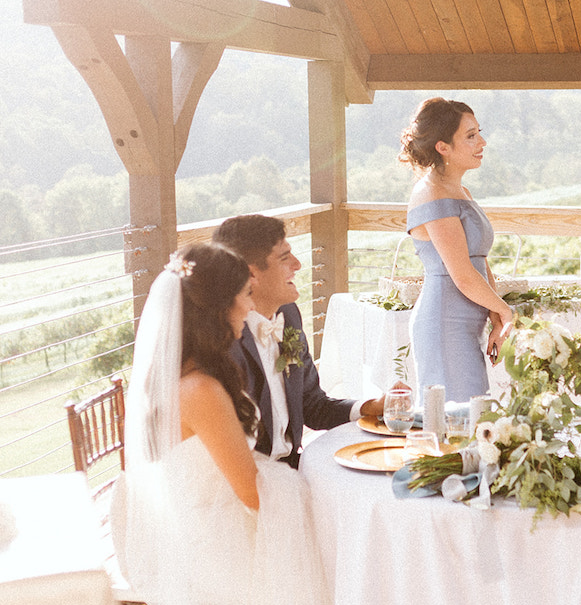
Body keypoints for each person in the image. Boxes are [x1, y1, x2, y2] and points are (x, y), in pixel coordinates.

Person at [122, 243, 333, 605]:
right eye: (242, 299)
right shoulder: (199, 389)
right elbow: (252, 492)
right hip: (209, 542)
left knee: (324, 541)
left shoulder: (189, 373)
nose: (249, 309)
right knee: (328, 562)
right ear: (216, 309)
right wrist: (314, 499)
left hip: (204, 518)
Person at [213, 214, 390, 468]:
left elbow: (312, 406)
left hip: (293, 466)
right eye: (285, 258)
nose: (297, 265)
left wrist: (370, 406)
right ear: (252, 273)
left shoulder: (289, 315)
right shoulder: (224, 340)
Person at [399, 97, 514, 402]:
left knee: (473, 419)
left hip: (468, 324)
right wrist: (506, 311)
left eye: (479, 132)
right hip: (444, 325)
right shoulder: (431, 193)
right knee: (455, 425)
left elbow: (479, 262)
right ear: (443, 147)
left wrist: (494, 314)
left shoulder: (461, 190)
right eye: (471, 136)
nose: (482, 142)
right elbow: (462, 274)